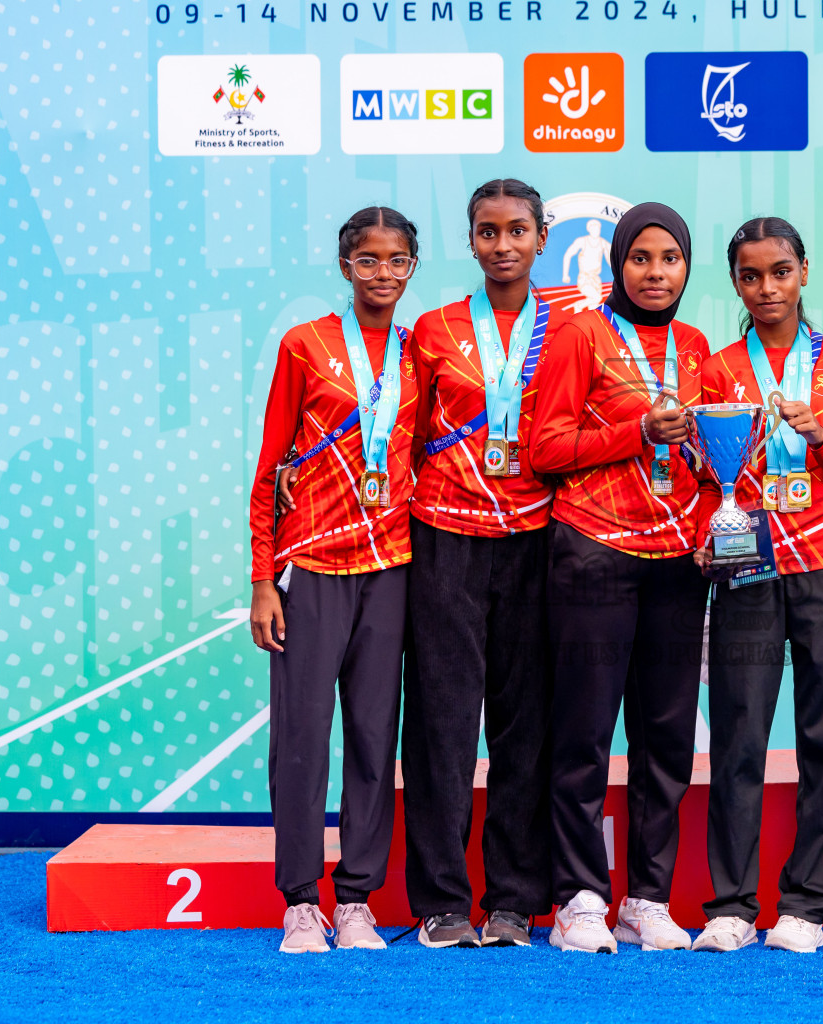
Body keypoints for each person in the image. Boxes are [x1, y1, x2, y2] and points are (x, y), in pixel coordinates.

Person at [689, 217, 823, 955]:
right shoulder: (716, 367)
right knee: (738, 736)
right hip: (748, 568)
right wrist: (712, 528)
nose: (766, 288)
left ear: (804, 271)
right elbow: (705, 481)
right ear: (735, 282)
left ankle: (805, 905)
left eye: (780, 272)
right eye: (750, 276)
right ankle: (731, 905)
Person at [527, 203, 711, 954]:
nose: (656, 272)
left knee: (666, 737)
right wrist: (637, 431)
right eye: (642, 258)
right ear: (618, 266)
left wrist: (712, 522)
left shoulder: (699, 347)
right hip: (595, 553)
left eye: (670, 258)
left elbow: (717, 460)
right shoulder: (581, 333)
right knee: (582, 734)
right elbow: (545, 446)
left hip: (677, 564)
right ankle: (578, 898)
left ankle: (647, 897)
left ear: (686, 268)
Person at [399, 179, 572, 949]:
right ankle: (440, 901)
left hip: (535, 541)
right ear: (470, 241)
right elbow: (397, 439)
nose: (502, 245)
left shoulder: (571, 331)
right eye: (487, 232)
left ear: (542, 237)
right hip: (446, 541)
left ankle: (513, 901)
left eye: (517, 231)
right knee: (440, 725)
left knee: (525, 725)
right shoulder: (433, 330)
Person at [248, 206, 421, 954]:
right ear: (345, 266)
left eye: (397, 260)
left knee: (374, 739)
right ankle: (298, 900)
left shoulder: (423, 354)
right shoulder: (306, 345)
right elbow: (267, 468)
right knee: (300, 740)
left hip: (391, 567)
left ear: (413, 267)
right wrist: (262, 580)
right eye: (369, 260)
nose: (383, 273)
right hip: (312, 568)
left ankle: (356, 898)